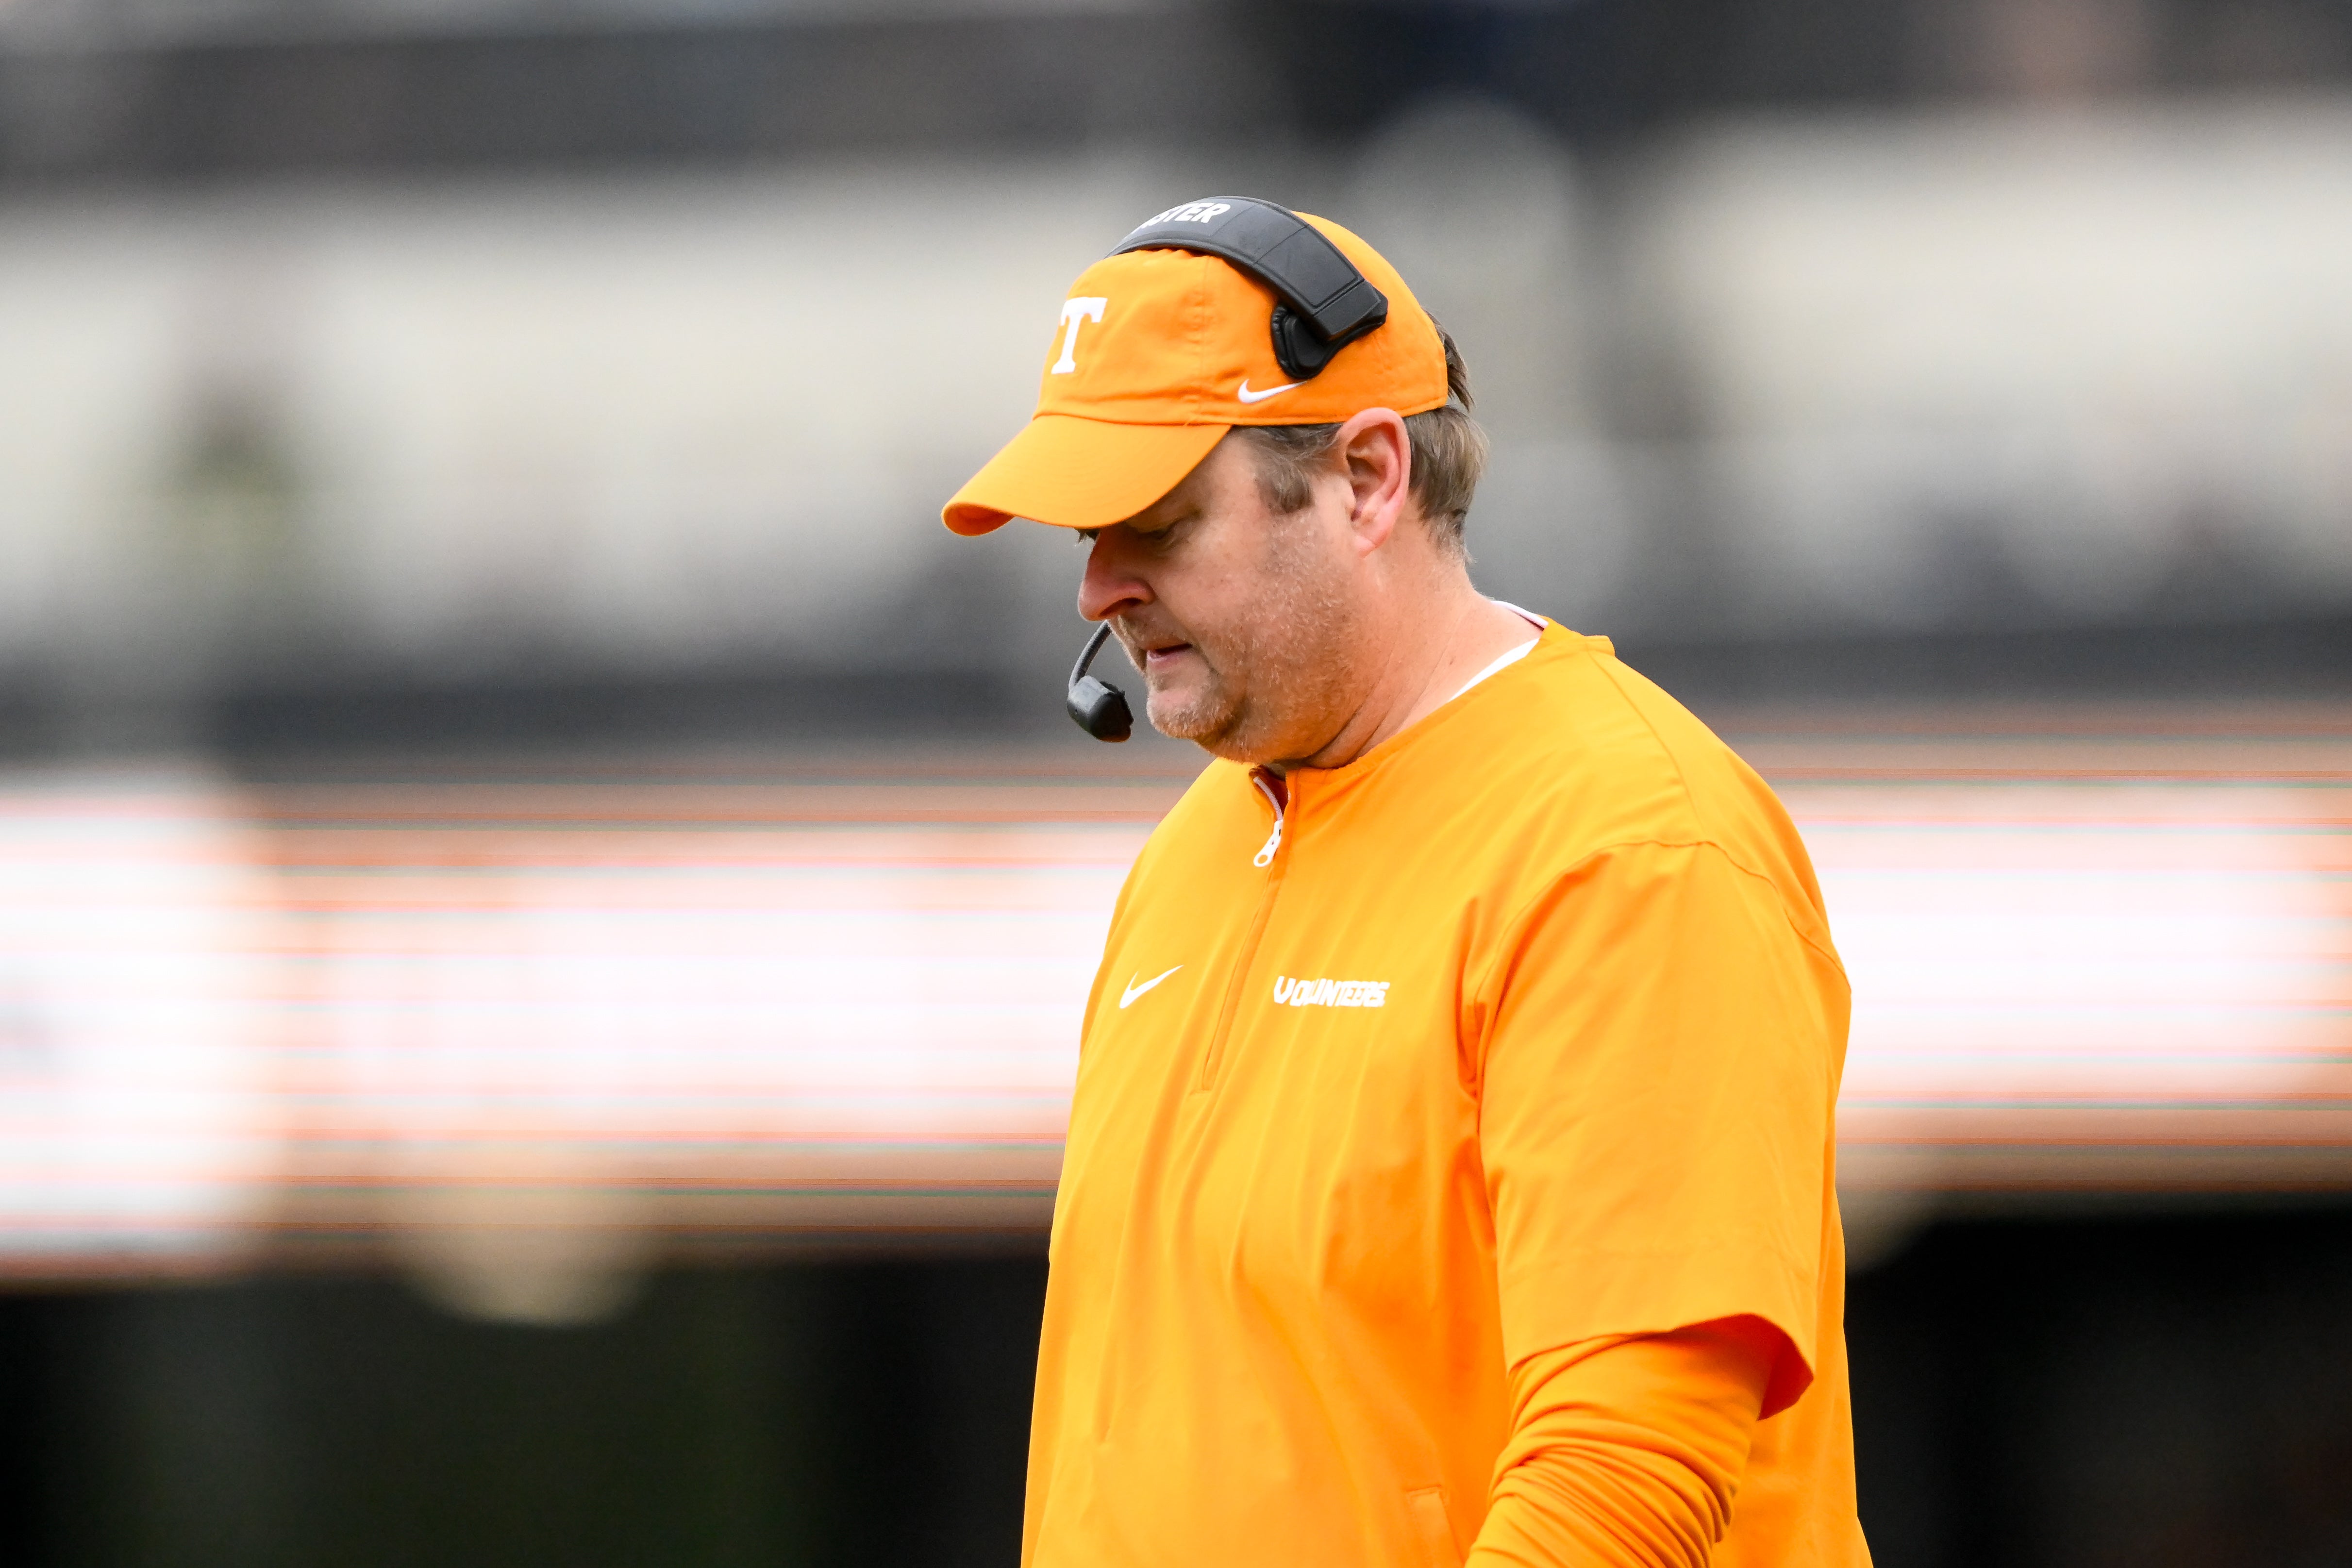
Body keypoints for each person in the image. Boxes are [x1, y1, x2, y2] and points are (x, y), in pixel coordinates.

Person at [942, 200, 1870, 1568]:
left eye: (1156, 523)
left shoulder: (1627, 847)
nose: (1097, 589)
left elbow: (1628, 1475)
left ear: (1369, 478)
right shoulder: (1198, 845)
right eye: (1086, 533)